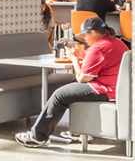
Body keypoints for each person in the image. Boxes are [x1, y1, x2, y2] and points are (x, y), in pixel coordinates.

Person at [15, 16, 126, 147]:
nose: (85, 39)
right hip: (117, 88)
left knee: (60, 95)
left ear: (93, 33)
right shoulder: (117, 42)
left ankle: (37, 137)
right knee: (71, 90)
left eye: (85, 35)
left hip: (105, 89)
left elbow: (82, 78)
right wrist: (83, 57)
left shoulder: (97, 48)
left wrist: (73, 59)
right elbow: (102, 65)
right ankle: (79, 131)